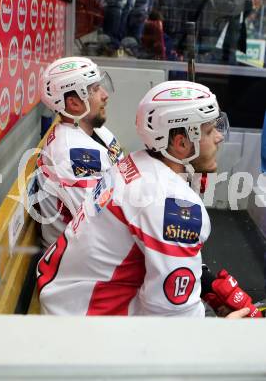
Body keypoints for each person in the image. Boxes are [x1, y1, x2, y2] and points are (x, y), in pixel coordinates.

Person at [37, 80, 262, 319]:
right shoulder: (170, 202)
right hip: (81, 322)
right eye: (209, 131)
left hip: (68, 296)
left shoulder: (137, 162)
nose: (218, 137)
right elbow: (172, 320)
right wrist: (224, 333)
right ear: (181, 143)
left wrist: (205, 285)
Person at [37, 57, 124, 250]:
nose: (104, 95)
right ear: (74, 103)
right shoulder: (72, 154)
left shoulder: (97, 131)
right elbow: (101, 224)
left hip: (94, 252)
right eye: (94, 89)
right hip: (79, 266)